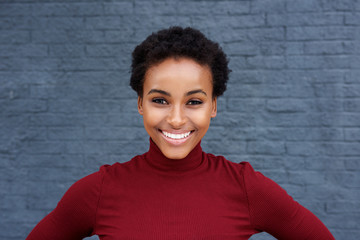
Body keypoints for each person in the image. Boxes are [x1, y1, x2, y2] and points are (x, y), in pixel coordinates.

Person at [26, 26, 335, 240]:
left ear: (213, 106)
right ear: (140, 104)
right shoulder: (99, 191)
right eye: (160, 100)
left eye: (194, 102)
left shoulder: (245, 188)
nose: (176, 119)